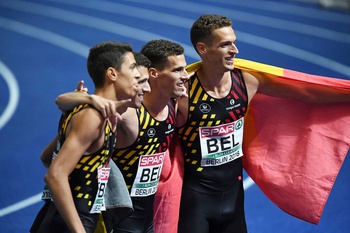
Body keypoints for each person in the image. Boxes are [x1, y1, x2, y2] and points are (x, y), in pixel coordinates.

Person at [175, 14, 350, 233]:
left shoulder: (247, 81)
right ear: (202, 49)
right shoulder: (184, 93)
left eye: (234, 42)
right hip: (194, 201)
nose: (235, 50)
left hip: (234, 198)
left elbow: (307, 92)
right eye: (225, 45)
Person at [55, 40, 189, 233]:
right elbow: (62, 100)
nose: (184, 76)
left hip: (148, 220)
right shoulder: (126, 113)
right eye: (178, 70)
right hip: (120, 222)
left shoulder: (172, 106)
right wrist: (88, 98)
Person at [31, 41, 141, 233]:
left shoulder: (105, 117)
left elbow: (47, 158)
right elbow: (55, 175)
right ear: (112, 74)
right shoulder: (92, 117)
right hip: (67, 225)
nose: (138, 74)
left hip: (78, 219)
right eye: (132, 67)